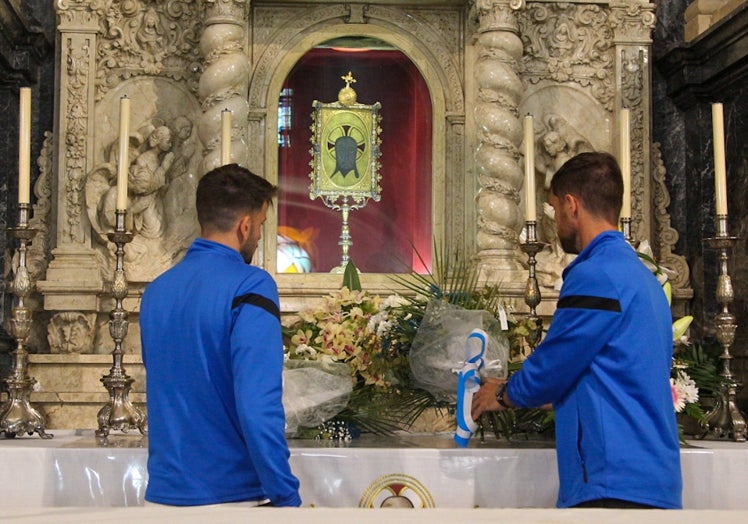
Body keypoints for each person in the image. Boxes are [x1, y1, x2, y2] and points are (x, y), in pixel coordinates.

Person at [472, 152, 682, 509]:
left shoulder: (596, 274)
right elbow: (613, 378)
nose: (555, 221)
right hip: (650, 478)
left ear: (572, 205)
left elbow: (556, 364)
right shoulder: (643, 278)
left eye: (554, 210)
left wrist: (503, 394)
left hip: (611, 481)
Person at [140, 163, 302, 507]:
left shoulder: (156, 291)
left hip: (161, 498)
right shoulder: (251, 285)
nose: (258, 236)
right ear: (245, 226)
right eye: (259, 226)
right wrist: (286, 497)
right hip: (230, 500)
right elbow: (257, 405)